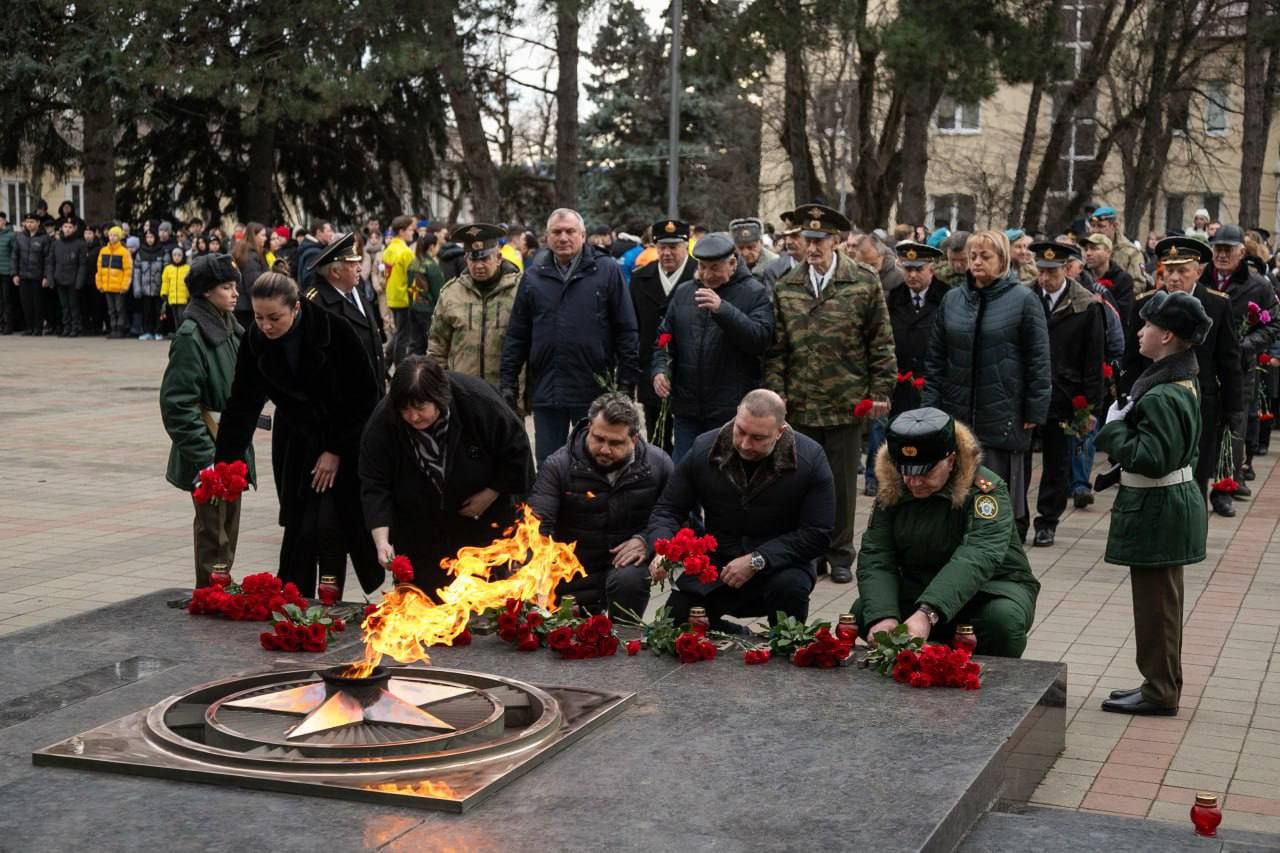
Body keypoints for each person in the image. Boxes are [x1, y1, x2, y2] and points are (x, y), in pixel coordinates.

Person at [215, 272, 383, 597]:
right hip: (297, 441)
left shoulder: (335, 331)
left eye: (274, 317)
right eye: (258, 317)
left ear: (296, 308)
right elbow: (242, 404)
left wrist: (335, 450)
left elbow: (365, 397)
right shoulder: (255, 340)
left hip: (344, 436)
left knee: (331, 524)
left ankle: (331, 600)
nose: (266, 326)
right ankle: (295, 600)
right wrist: (227, 462)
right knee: (301, 528)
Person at [765, 203, 897, 584]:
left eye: (820, 240)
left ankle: (839, 553)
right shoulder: (787, 286)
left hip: (845, 400)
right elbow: (776, 349)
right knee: (800, 481)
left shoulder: (863, 281)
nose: (813, 247)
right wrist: (776, 392)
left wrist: (881, 389)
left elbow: (881, 342)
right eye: (807, 239)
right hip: (800, 401)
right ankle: (808, 552)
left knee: (841, 484)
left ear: (837, 240)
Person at [1099, 291, 1211, 716]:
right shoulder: (1173, 382)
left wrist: (1114, 430)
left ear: (1167, 336)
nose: (1140, 332)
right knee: (1159, 604)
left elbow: (1151, 457)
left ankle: (1160, 691)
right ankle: (1159, 683)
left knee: (1157, 608)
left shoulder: (1164, 394)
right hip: (1164, 507)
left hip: (1159, 508)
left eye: (1148, 325)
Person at [852, 407, 1040, 657]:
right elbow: (877, 555)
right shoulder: (893, 488)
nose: (914, 482)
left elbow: (977, 556)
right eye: (906, 471)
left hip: (990, 590)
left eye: (925, 472)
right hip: (920, 586)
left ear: (950, 461)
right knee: (865, 612)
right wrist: (883, 617)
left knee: (1003, 622)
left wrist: (927, 613)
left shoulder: (985, 491)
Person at [644, 389, 835, 628]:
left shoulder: (810, 459)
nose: (745, 444)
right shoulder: (704, 448)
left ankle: (785, 641)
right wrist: (662, 548)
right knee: (673, 622)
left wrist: (758, 559)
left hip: (782, 564)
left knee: (790, 590)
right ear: (735, 416)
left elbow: (818, 533)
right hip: (718, 562)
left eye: (758, 438)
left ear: (780, 431)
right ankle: (736, 634)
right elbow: (669, 508)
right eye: (741, 431)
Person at [359, 355, 535, 595]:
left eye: (420, 408)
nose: (413, 417)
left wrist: (491, 493)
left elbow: (516, 452)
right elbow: (374, 484)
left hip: (484, 521)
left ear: (439, 398)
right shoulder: (383, 423)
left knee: (488, 596)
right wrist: (382, 542)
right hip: (420, 526)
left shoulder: (479, 403)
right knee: (425, 599)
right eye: (405, 409)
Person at [923, 230, 1051, 544]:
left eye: (985, 256)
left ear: (1003, 260)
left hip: (1003, 412)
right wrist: (931, 407)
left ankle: (1001, 548)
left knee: (995, 495)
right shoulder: (953, 300)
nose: (977, 262)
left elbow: (1038, 359)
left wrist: (1034, 410)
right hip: (957, 413)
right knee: (957, 492)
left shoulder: (1023, 300)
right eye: (973, 256)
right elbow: (936, 359)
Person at [500, 208, 641, 465]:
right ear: (547, 237)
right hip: (547, 389)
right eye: (556, 232)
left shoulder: (606, 270)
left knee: (592, 462)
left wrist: (626, 383)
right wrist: (508, 382)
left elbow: (626, 329)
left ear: (583, 235)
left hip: (593, 389)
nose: (563, 237)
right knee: (549, 464)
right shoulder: (533, 276)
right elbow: (518, 334)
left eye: (570, 231)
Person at [1122, 237, 1239, 513]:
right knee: (1155, 469)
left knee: (1195, 474)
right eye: (1168, 270)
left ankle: (1192, 525)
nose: (1174, 278)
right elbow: (1131, 359)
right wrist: (1128, 400)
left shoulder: (1217, 304)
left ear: (1198, 271)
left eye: (1182, 270)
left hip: (1200, 403)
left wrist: (1233, 409)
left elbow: (1229, 360)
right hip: (1152, 402)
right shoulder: (1147, 304)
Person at [529, 392, 672, 617]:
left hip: (624, 565)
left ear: (634, 439)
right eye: (598, 439)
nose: (605, 449)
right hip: (572, 565)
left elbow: (675, 515)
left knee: (630, 580)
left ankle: (625, 632)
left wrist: (647, 541)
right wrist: (533, 570)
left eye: (615, 443)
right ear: (589, 428)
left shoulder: (658, 465)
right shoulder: (559, 466)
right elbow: (537, 523)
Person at [159, 254, 254, 586]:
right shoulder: (192, 335)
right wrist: (206, 461)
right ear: (206, 292)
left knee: (228, 529)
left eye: (235, 286)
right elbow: (177, 405)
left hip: (232, 446)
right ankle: (212, 596)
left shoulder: (230, 327)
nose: (235, 293)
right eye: (226, 287)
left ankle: (221, 592)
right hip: (211, 450)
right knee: (214, 536)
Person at [651, 232, 774, 462]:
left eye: (715, 268)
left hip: (729, 411)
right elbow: (664, 338)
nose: (707, 275)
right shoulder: (684, 292)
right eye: (702, 267)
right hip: (687, 409)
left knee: (723, 472)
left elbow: (759, 340)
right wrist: (660, 370)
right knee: (685, 470)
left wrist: (723, 310)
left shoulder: (753, 292)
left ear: (732, 264)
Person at [1027, 241, 1106, 546]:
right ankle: (1016, 520)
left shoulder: (1085, 305)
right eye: (1041, 271)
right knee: (1019, 461)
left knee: (1057, 463)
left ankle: (1047, 521)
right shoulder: (1025, 297)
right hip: (1028, 393)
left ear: (1066, 269)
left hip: (1065, 394)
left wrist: (1090, 408)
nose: (1044, 278)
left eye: (1052, 271)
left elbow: (1093, 360)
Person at [1200, 224, 1280, 502]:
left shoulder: (1258, 285)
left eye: (1228, 250)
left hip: (1239, 369)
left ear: (1242, 252)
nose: (1222, 255)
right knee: (1202, 426)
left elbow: (1274, 323)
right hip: (1204, 367)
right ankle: (1197, 485)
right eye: (1217, 249)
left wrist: (1245, 345)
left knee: (1233, 427)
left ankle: (1224, 489)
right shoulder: (1201, 280)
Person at [868, 240, 950, 495]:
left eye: (918, 269)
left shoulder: (946, 296)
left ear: (931, 268)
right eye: (907, 269)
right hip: (899, 380)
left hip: (931, 380)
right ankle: (881, 479)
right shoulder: (893, 297)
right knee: (891, 432)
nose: (912, 275)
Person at [427, 223, 521, 392]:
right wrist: (441, 389)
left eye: (485, 259)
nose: (478, 266)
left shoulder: (519, 291)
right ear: (466, 260)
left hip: (506, 393)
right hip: (464, 392)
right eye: (473, 259)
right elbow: (437, 347)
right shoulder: (451, 294)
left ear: (498, 258)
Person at [631, 218, 695, 452]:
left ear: (686, 246)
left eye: (673, 247)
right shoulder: (641, 278)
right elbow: (633, 325)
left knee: (690, 441)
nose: (667, 253)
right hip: (651, 369)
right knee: (657, 440)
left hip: (691, 371)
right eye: (662, 247)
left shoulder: (699, 274)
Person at [305, 232, 386, 395]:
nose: (359, 268)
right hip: (344, 398)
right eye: (353, 264)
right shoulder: (315, 305)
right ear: (335, 272)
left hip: (372, 392)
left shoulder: (355, 290)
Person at [1089, 207, 1149, 293]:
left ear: (1115, 226)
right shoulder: (1084, 249)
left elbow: (1139, 284)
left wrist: (1112, 294)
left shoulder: (1131, 252)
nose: (1095, 230)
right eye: (1093, 226)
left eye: (1100, 226)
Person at [382, 215, 416, 365]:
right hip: (404, 298)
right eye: (410, 230)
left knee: (399, 333)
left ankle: (385, 364)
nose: (412, 232)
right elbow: (413, 277)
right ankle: (399, 368)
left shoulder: (388, 249)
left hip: (392, 296)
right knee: (403, 337)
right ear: (402, 231)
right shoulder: (406, 252)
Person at [13, 212, 52, 335]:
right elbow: (15, 257)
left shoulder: (44, 238)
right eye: (27, 222)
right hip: (23, 275)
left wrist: (46, 276)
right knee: (26, 303)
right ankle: (29, 327)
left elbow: (48, 259)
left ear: (38, 223)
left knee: (38, 303)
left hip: (37, 276)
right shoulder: (20, 237)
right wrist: (15, 274)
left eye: (32, 222)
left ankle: (38, 328)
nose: (29, 224)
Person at [49, 219, 87, 337]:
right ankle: (66, 327)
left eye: (70, 227)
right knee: (64, 306)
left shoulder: (80, 243)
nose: (67, 229)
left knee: (73, 306)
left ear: (74, 228)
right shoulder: (56, 244)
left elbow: (82, 265)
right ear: (61, 228)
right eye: (65, 227)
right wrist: (51, 278)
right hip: (60, 278)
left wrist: (79, 281)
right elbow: (51, 262)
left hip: (73, 279)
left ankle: (75, 328)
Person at [96, 226, 133, 338]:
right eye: (111, 235)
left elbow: (128, 270)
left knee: (119, 308)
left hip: (119, 287)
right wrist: (100, 284)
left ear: (119, 237)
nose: (112, 237)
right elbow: (99, 269)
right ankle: (113, 328)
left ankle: (121, 328)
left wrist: (125, 285)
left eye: (115, 235)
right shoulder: (103, 251)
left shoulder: (124, 252)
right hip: (107, 286)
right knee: (111, 309)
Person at [230, 222, 268, 331]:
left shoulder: (244, 251)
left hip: (241, 305)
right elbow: (253, 284)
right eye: (263, 235)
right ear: (254, 236)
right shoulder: (251, 255)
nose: (265, 238)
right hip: (248, 308)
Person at [132, 229, 165, 341]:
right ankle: (147, 331)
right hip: (145, 288)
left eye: (152, 237)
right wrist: (137, 288)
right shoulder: (140, 252)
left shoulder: (162, 251)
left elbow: (166, 271)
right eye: (147, 237)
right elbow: (136, 272)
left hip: (158, 288)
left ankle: (159, 331)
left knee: (159, 311)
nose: (150, 239)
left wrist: (165, 288)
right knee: (146, 311)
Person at [760, 211, 802, 288]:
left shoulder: (819, 266)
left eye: (794, 236)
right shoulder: (773, 269)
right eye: (786, 236)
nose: (788, 242)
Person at [293, 221, 334, 293]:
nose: (332, 234)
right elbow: (310, 280)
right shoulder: (314, 253)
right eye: (329, 231)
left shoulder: (313, 249)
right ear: (319, 232)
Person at [0, 211, 13, 334]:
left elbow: (14, 254)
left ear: (4, 221)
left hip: (6, 273)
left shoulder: (11, 235)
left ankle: (8, 325)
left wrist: (13, 271)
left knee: (7, 299)